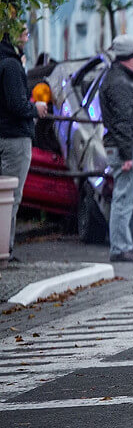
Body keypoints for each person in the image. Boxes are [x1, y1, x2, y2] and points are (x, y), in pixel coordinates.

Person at [99, 34, 133, 263]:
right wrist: (127, 154)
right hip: (127, 149)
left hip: (127, 147)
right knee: (125, 199)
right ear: (130, 57)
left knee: (126, 197)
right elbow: (122, 121)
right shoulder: (120, 83)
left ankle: (123, 246)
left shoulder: (120, 78)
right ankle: (121, 248)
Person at [1, 30, 47, 259]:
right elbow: (17, 105)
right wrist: (35, 109)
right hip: (14, 137)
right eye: (23, 32)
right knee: (11, 196)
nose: (27, 36)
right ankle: (5, 248)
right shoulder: (10, 65)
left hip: (5, 134)